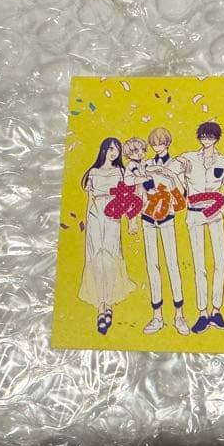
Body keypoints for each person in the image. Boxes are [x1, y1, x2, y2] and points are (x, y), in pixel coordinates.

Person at [126, 134, 189, 335]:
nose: (157, 147)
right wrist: (132, 219)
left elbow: (183, 193)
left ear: (168, 143)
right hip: (147, 218)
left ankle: (179, 315)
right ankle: (157, 316)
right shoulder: (145, 165)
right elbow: (137, 193)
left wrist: (170, 174)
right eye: (154, 144)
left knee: (172, 264)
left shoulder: (176, 164)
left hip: (167, 217)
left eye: (160, 143)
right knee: (152, 266)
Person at [174, 121, 224, 333]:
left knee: (220, 262)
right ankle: (202, 313)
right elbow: (170, 171)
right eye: (203, 136)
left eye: (210, 136)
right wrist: (179, 176)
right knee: (199, 265)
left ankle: (216, 310)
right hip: (195, 213)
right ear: (199, 138)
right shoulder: (188, 158)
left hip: (215, 214)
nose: (206, 140)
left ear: (216, 138)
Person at [79, 137, 135, 335]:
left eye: (117, 149)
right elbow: (90, 199)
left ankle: (109, 304)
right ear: (103, 150)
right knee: (96, 259)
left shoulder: (121, 172)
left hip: (113, 214)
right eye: (111, 148)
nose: (114, 152)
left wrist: (131, 220)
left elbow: (127, 197)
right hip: (95, 215)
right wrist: (89, 221)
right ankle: (100, 307)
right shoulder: (93, 172)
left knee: (110, 258)